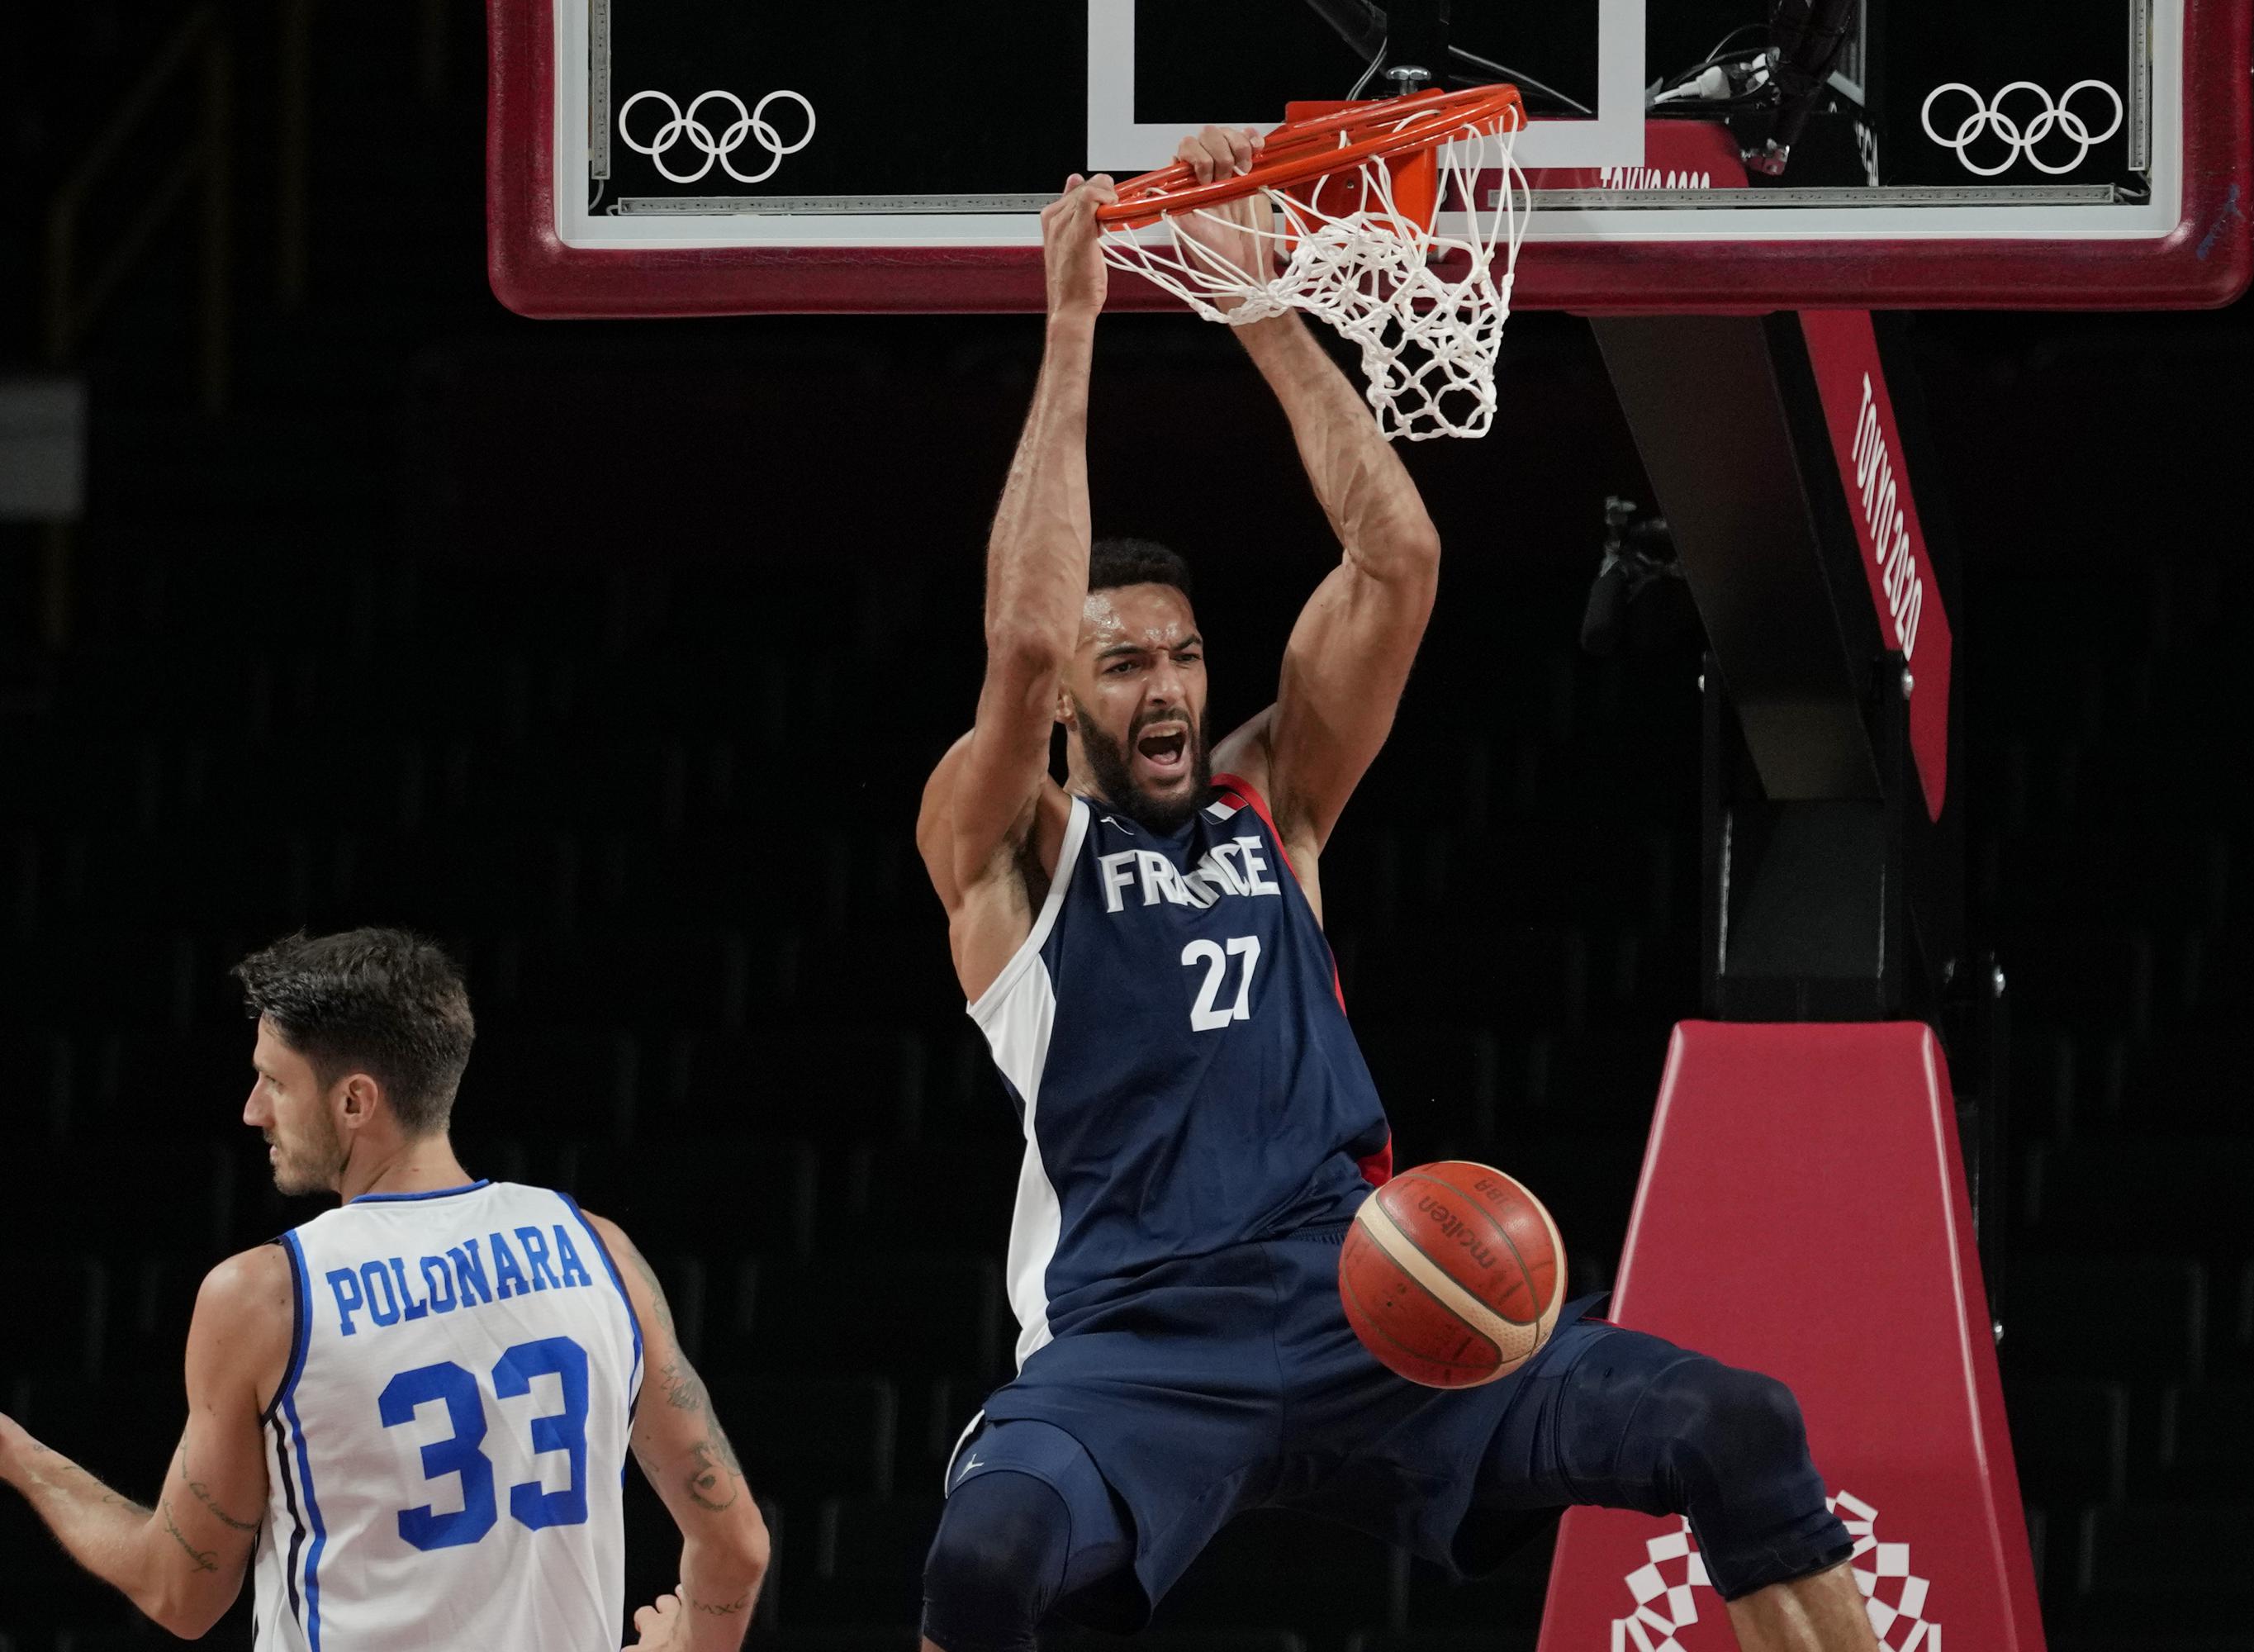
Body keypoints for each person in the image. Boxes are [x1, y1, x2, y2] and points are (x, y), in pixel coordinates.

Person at [911, 128, 1880, 1652]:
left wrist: (1261, 309)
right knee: (990, 1567)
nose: (1166, 686)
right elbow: (1018, 646)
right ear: (1068, 710)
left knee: (1736, 1422)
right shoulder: (1009, 853)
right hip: (1142, 1347)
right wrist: (1077, 320)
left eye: (1184, 654)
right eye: (1127, 666)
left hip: (1368, 1295)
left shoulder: (1272, 805)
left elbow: (1397, 556)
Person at [0, 928, 769, 1651]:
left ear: (355, 1101)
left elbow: (181, 1593)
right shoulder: (600, 1250)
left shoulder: (267, 1297)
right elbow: (735, 1548)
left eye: (273, 1080)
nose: (252, 1109)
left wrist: (17, 1453)